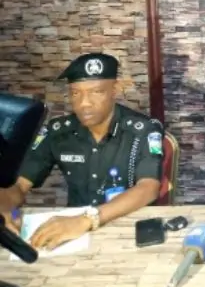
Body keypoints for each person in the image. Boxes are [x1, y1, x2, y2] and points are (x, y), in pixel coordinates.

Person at [0, 53, 165, 250]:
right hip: (71, 236)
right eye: (76, 93)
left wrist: (87, 220)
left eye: (96, 92)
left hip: (124, 229)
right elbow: (19, 186)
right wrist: (6, 208)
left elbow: (148, 188)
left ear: (115, 90)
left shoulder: (142, 130)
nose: (84, 102)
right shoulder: (59, 132)